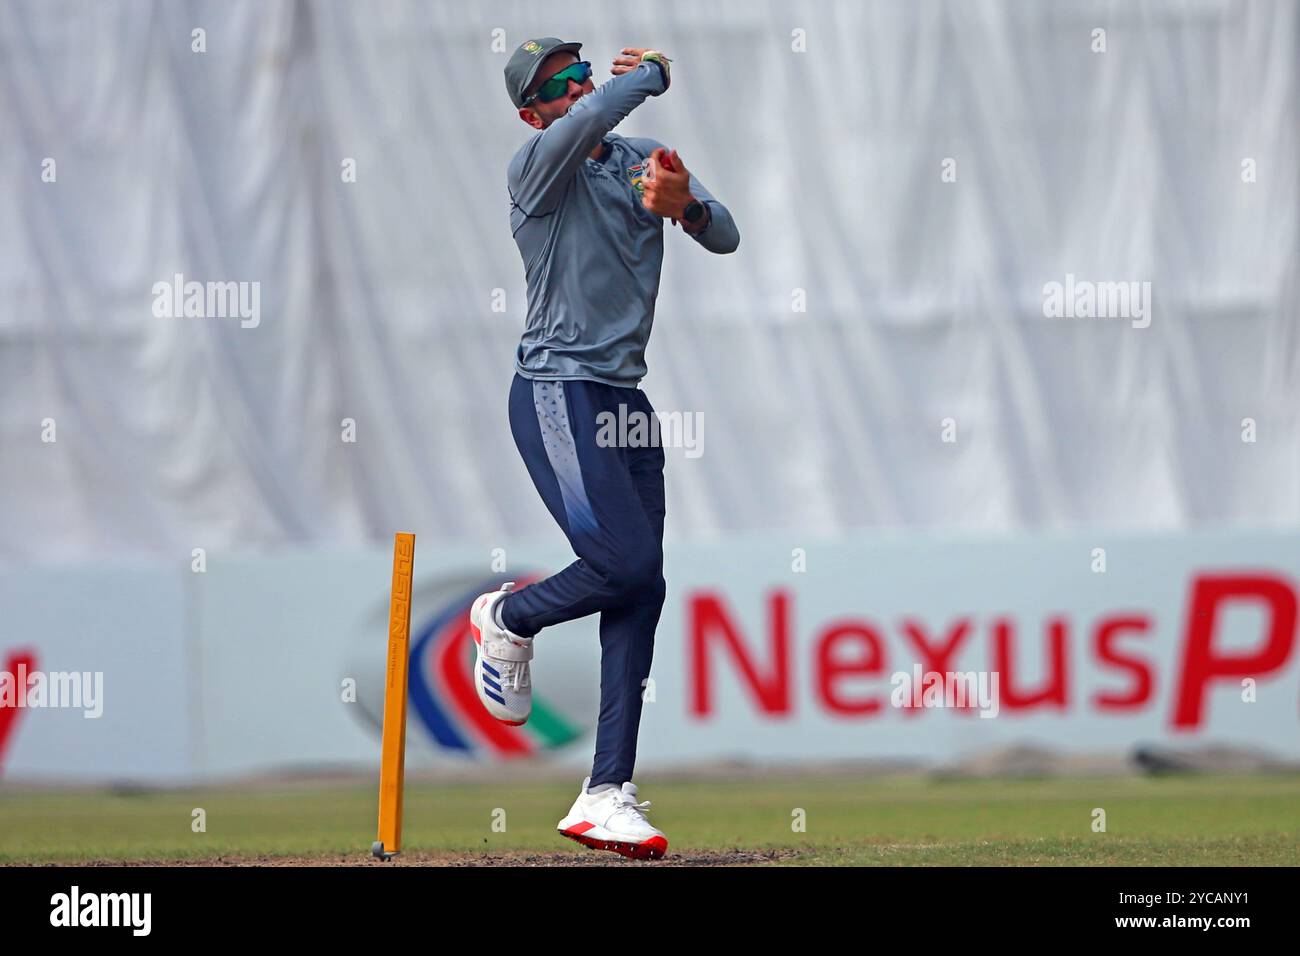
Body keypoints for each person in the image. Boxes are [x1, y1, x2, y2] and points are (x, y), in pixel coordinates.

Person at [467, 37, 739, 860]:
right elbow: (598, 112)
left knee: (642, 585)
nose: (578, 85)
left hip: (624, 398)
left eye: (580, 71)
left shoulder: (634, 164)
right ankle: (508, 616)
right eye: (558, 84)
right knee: (624, 564)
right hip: (556, 389)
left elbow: (724, 236)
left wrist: (684, 204)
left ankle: (605, 793)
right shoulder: (536, 166)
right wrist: (651, 75)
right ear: (532, 111)